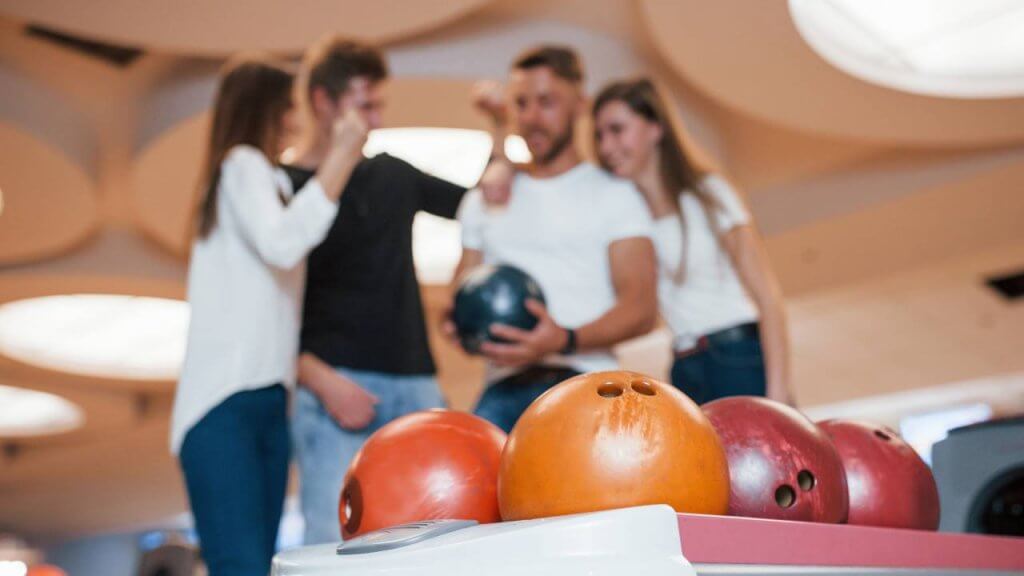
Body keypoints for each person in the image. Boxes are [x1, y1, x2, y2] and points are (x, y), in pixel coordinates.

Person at [282, 37, 506, 544]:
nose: (377, 119)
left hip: (418, 387)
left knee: (449, 536)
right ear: (323, 102)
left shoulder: (391, 173)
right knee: (333, 544)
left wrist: (499, 128)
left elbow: (481, 201)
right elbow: (263, 306)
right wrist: (320, 380)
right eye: (366, 105)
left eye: (378, 104)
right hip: (333, 391)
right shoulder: (282, 187)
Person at [171, 55, 366, 575]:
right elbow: (283, 244)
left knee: (259, 565)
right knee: (242, 566)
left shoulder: (271, 181)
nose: (296, 119)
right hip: (225, 402)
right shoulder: (241, 165)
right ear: (268, 110)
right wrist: (341, 159)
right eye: (288, 107)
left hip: (264, 399)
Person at [450, 46, 659, 433]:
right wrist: (457, 325)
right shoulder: (484, 199)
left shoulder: (616, 194)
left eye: (546, 102)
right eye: (521, 103)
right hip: (502, 389)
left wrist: (562, 339)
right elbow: (458, 295)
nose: (530, 117)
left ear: (580, 105)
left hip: (588, 383)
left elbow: (641, 308)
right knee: (467, 479)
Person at [592, 78, 793, 405]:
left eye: (617, 130)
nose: (605, 147)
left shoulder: (709, 194)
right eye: (599, 136)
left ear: (655, 129)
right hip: (683, 366)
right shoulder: (628, 224)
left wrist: (779, 394)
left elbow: (768, 299)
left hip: (737, 355)